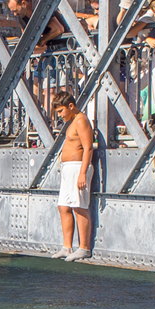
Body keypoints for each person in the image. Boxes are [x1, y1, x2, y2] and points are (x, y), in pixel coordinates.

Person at [49, 90, 95, 260]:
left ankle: (84, 247)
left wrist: (83, 172)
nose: (60, 115)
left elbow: (88, 147)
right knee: (63, 207)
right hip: (69, 168)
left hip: (78, 168)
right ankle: (67, 246)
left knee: (79, 206)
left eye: (61, 111)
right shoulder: (72, 121)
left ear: (71, 106)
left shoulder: (81, 120)